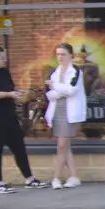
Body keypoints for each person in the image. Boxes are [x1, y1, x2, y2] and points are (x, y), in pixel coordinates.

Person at [0, 45, 43, 193]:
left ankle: (29, 179)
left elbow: (8, 89)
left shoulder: (4, 72)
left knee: (19, 146)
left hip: (8, 115)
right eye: (2, 58)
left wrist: (16, 92)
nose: (5, 61)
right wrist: (8, 95)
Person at [45, 42, 87, 188]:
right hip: (57, 110)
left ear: (70, 55)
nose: (60, 57)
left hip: (69, 112)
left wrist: (55, 86)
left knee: (61, 145)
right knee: (65, 146)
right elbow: (49, 95)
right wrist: (58, 91)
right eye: (58, 54)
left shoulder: (76, 71)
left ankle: (55, 178)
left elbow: (71, 90)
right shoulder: (55, 72)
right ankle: (74, 176)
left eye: (63, 54)